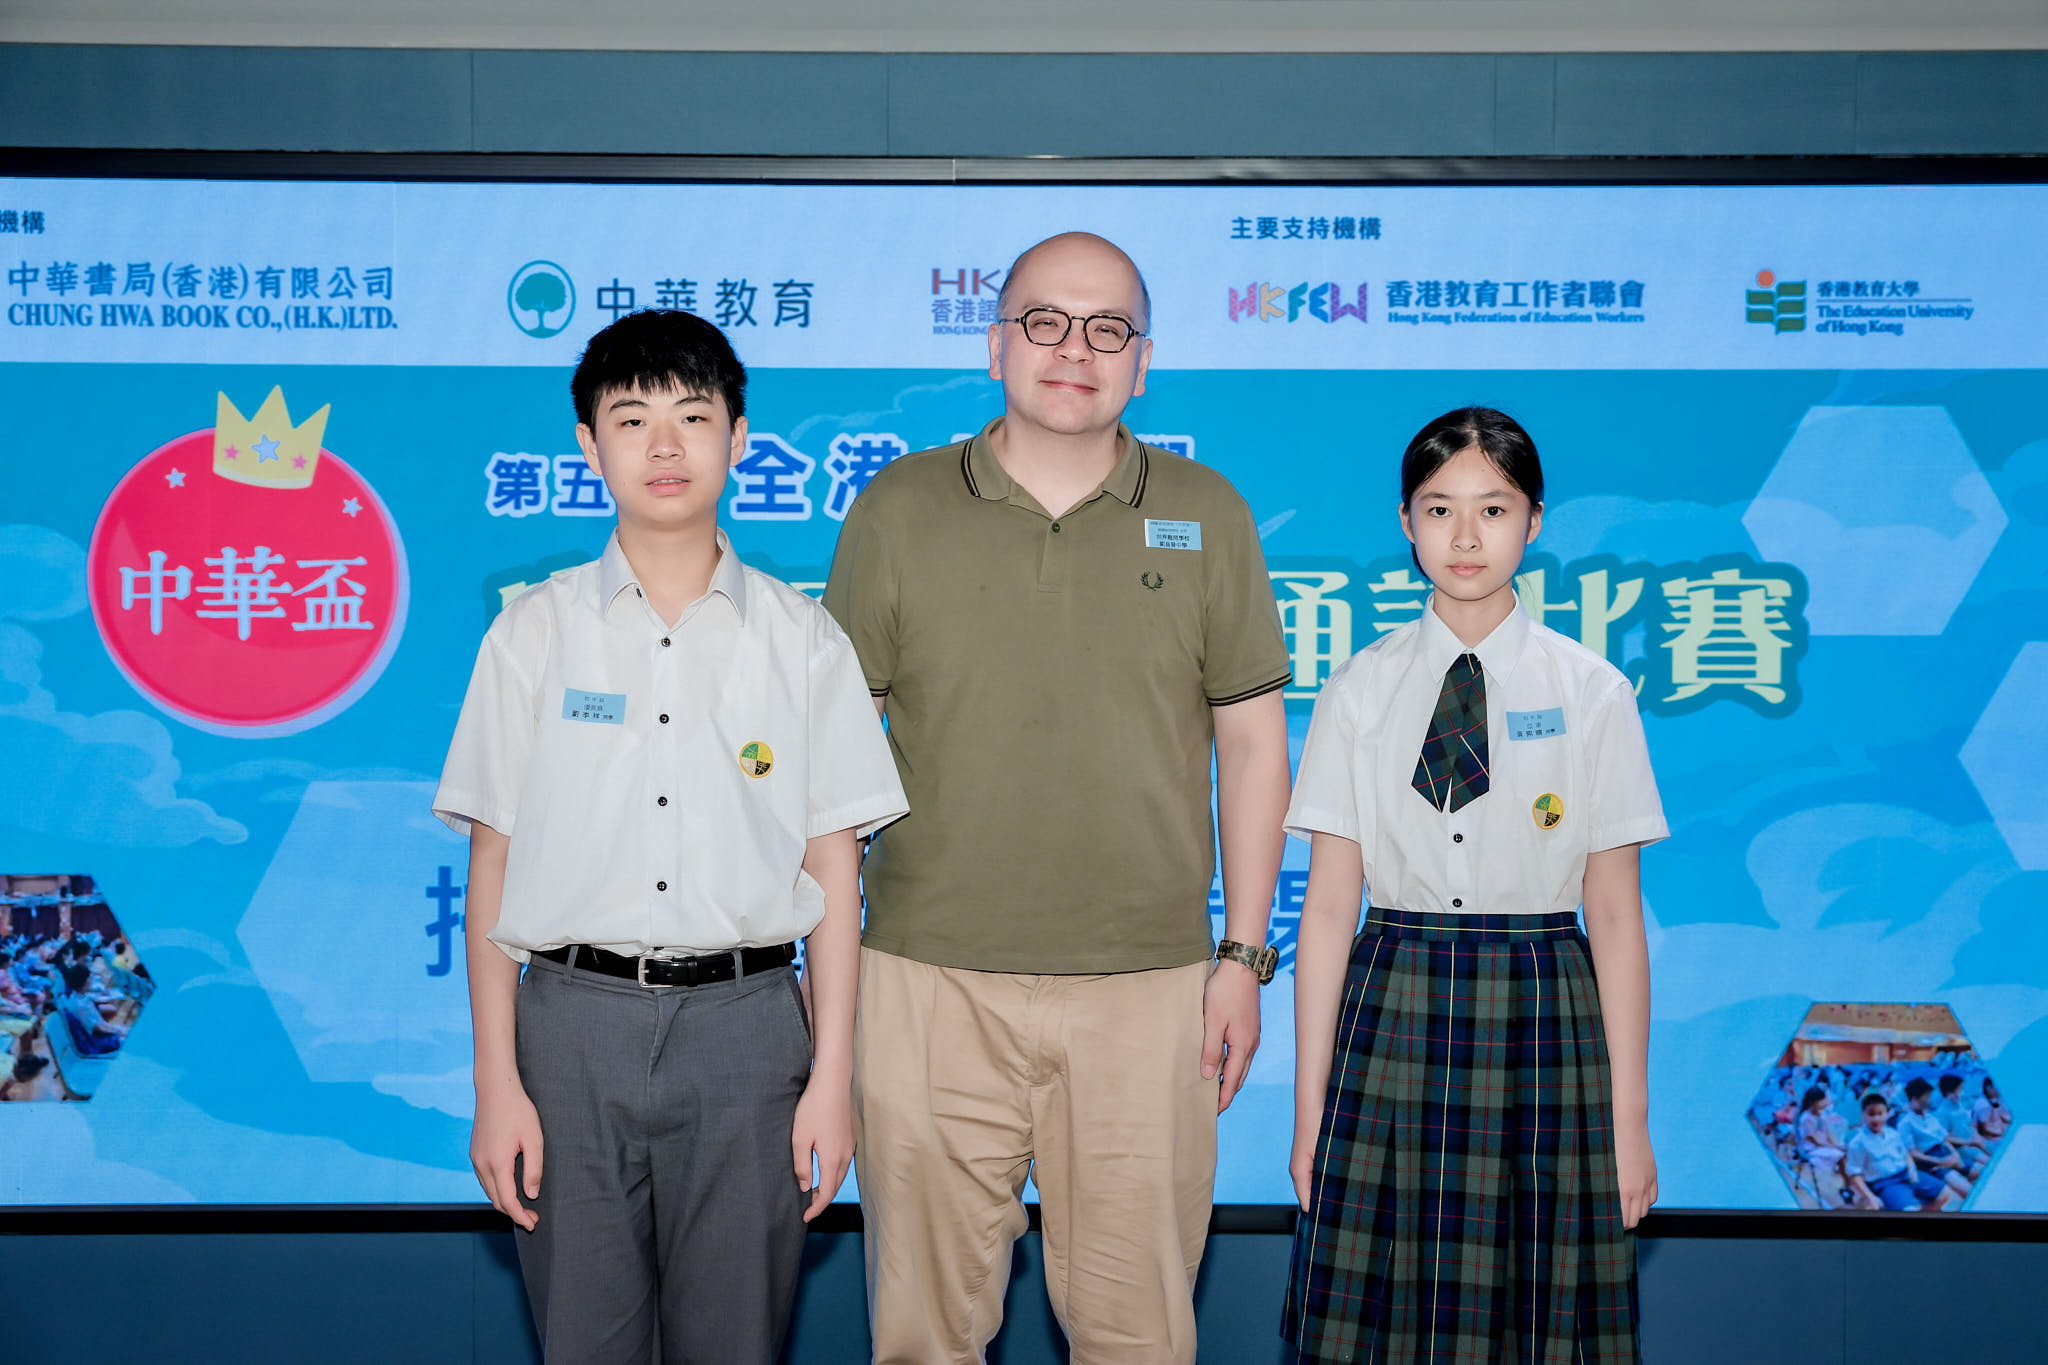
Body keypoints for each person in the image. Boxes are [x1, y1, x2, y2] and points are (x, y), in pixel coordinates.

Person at [824, 231, 1292, 1363]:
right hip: (926, 981)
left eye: (1106, 328)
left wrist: (1242, 956)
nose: (1073, 349)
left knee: (1139, 1338)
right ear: (995, 345)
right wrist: (827, 981)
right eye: (1043, 321)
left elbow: (1252, 745)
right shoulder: (898, 507)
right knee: (922, 1339)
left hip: (1148, 993)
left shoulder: (1207, 512)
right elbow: (829, 761)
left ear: (1143, 362)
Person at [433, 309, 908, 1363]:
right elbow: (491, 865)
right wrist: (495, 1084)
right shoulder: (531, 633)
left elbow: (835, 875)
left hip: (748, 1031)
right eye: (631, 418)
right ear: (588, 445)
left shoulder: (803, 638)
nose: (663, 445)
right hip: (571, 1029)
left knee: (734, 1344)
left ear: (738, 439)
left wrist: (830, 1078)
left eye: (692, 416)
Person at [1283, 407, 1666, 1362]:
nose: (1465, 536)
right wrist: (1309, 1111)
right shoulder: (1358, 689)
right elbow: (1327, 910)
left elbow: (1616, 915)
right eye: (1439, 508)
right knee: (1386, 1318)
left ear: (1534, 521)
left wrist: (1630, 1120)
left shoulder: (1592, 692)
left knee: (1535, 1316)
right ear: (1405, 523)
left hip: (1542, 1000)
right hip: (1395, 994)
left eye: (1493, 509)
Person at [1845, 1093, 1948, 1211]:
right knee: (1909, 1210)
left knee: (1944, 1193)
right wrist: (1871, 1197)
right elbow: (1855, 1175)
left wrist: (1912, 1169)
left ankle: (1923, 1210)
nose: (1876, 1119)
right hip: (1886, 1183)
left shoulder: (1893, 1133)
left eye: (1880, 1114)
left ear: (1887, 1114)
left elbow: (1906, 1155)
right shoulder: (1857, 1143)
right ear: (1863, 1115)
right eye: (1871, 1114)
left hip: (1906, 1173)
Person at [1897, 1077, 1972, 1199]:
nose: (1930, 1101)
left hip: (1946, 1152)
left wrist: (1955, 1155)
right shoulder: (1905, 1124)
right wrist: (1941, 1161)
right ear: (1915, 1099)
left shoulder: (1930, 1117)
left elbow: (1944, 1138)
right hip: (1931, 1160)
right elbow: (1913, 1154)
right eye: (1927, 1097)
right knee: (1968, 1190)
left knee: (1981, 1172)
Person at [1795, 1085, 1848, 1206]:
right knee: (1841, 1155)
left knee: (1846, 1150)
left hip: (1824, 1145)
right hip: (1812, 1149)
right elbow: (1816, 1142)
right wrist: (1836, 1147)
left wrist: (1837, 1145)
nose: (1824, 1104)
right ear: (1812, 1102)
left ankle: (1847, 1184)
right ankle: (1847, 1184)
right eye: (1821, 1102)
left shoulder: (1821, 1115)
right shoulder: (1806, 1118)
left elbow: (1828, 1135)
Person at [1936, 1073, 1992, 1175]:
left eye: (1959, 1090)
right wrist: (1970, 1142)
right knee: (1989, 1164)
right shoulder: (1942, 1112)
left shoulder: (1960, 1104)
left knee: (1995, 1152)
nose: (1958, 1094)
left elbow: (1970, 1125)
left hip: (1974, 1141)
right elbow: (1946, 1138)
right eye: (1954, 1091)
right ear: (1946, 1093)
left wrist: (1977, 1137)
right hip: (1963, 1147)